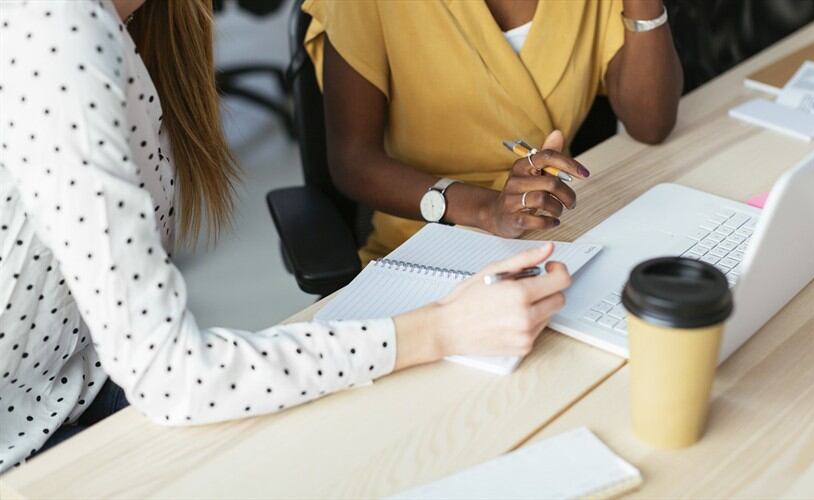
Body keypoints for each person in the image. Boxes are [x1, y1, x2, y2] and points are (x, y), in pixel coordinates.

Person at [0, 0, 571, 472]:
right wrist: (442, 328)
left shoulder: (132, 24)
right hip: (25, 442)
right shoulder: (57, 30)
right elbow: (173, 377)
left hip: (77, 384)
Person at [303, 0, 683, 265]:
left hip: (557, 236)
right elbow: (353, 161)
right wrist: (486, 209)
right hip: (428, 247)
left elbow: (651, 124)